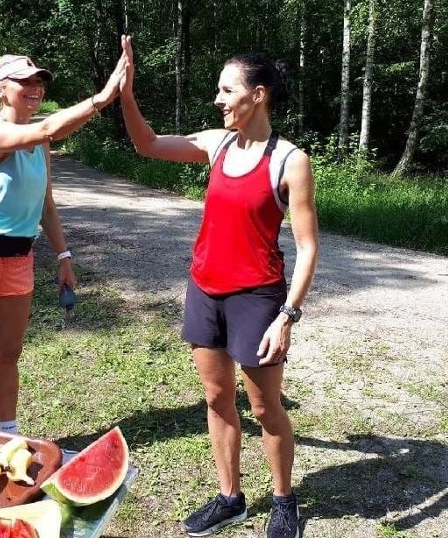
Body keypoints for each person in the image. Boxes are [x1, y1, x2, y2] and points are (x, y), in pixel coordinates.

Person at [118, 36, 318, 538]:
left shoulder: (289, 160)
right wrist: (126, 92)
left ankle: (284, 501)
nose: (219, 99)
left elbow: (309, 247)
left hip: (258, 297)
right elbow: (147, 144)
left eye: (227, 90)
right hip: (205, 290)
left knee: (265, 406)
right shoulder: (217, 143)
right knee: (214, 396)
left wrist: (287, 315)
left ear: (259, 94)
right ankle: (231, 497)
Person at [0, 50, 129, 434]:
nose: (35, 88)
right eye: (24, 81)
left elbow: (45, 203)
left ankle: (7, 434)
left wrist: (64, 255)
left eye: (38, 81)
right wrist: (102, 99)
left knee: (9, 353)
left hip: (19, 255)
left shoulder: (40, 142)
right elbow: (48, 129)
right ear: (1, 90)